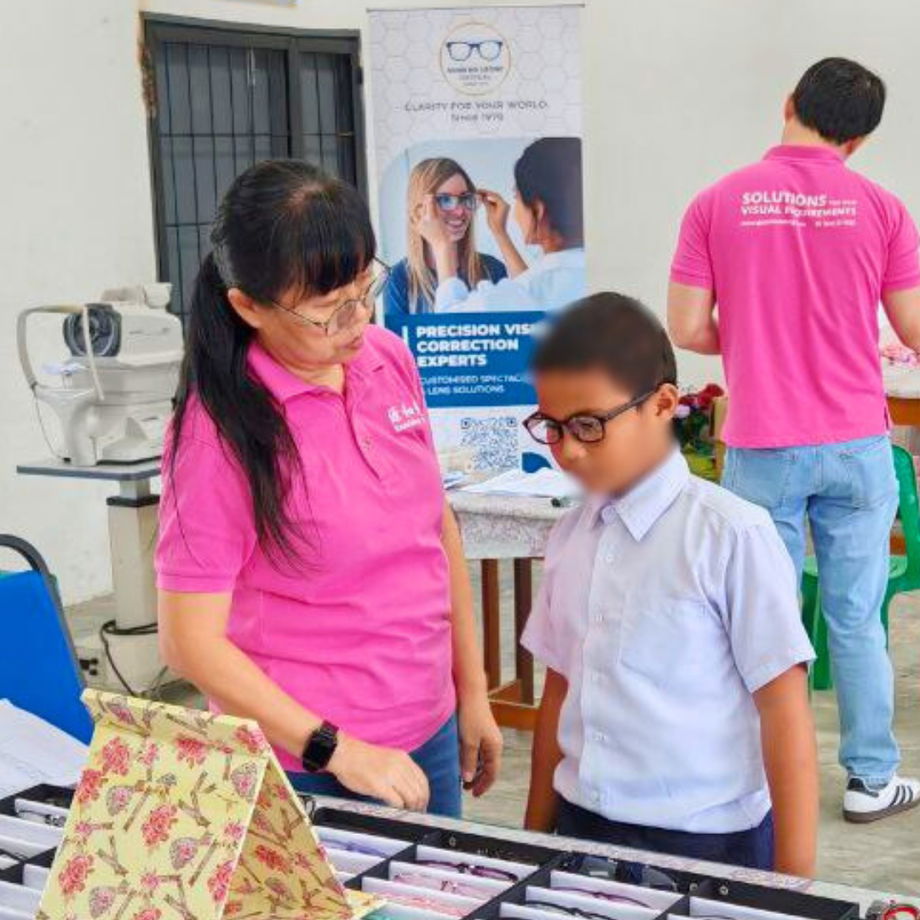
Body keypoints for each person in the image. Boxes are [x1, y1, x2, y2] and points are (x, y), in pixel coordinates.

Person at [156, 159, 503, 818]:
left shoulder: (386, 359)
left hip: (425, 727)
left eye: (361, 291)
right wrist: (334, 749)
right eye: (326, 311)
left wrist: (473, 689)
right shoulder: (220, 433)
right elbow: (188, 642)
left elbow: (436, 529)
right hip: (306, 765)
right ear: (248, 306)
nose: (355, 321)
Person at [668, 57, 920, 823]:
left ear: (789, 105)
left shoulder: (716, 201)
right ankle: (871, 779)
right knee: (855, 615)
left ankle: (765, 781)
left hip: (763, 440)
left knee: (762, 620)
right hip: (855, 441)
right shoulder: (882, 207)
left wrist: (752, 338)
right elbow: (913, 329)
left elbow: (685, 326)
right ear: (860, 139)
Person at [522, 294, 818, 875]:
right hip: (580, 829)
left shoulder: (732, 536)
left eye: (589, 424)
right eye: (552, 427)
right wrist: (532, 842)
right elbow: (560, 691)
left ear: (662, 405)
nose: (570, 449)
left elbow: (786, 714)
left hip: (705, 846)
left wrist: (794, 892)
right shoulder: (569, 535)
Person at [425, 137, 586, 312]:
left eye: (516, 197)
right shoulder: (587, 274)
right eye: (446, 200)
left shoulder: (505, 277)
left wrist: (442, 247)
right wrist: (500, 233)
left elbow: (450, 326)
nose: (459, 211)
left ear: (538, 210)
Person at [384, 158, 507, 316]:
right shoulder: (398, 279)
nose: (460, 211)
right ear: (419, 208)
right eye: (445, 200)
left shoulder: (493, 270)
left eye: (465, 199)